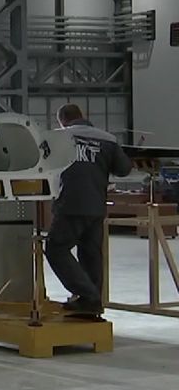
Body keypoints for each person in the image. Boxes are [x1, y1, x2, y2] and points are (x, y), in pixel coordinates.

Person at [46, 104, 132, 315]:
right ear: (82, 116)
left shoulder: (56, 137)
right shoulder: (108, 139)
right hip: (96, 206)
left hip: (70, 204)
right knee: (90, 254)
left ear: (62, 121)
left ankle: (88, 295)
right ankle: (91, 304)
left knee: (56, 248)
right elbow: (124, 169)